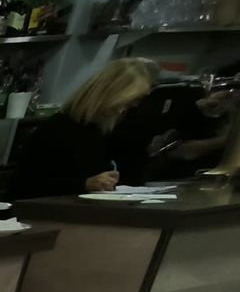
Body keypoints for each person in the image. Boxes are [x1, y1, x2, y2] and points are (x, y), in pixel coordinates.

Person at [10, 58, 159, 199]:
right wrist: (84, 184)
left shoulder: (105, 131)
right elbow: (28, 187)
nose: (124, 110)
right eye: (125, 103)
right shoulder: (57, 130)